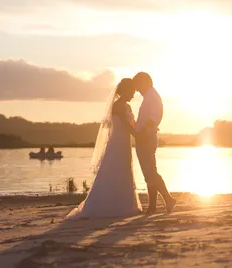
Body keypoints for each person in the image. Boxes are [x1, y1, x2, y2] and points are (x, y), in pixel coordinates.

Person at [66, 78, 142, 219]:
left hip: (125, 142)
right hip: (117, 142)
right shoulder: (118, 106)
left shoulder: (127, 106)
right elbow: (125, 125)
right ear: (125, 91)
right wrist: (137, 135)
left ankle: (125, 204)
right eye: (132, 91)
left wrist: (141, 130)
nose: (133, 94)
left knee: (124, 170)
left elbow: (132, 123)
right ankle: (110, 205)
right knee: (113, 170)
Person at [132, 72, 176, 214]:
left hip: (147, 138)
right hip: (144, 137)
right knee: (149, 173)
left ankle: (166, 200)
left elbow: (153, 118)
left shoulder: (152, 97)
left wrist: (141, 133)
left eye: (138, 86)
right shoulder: (150, 96)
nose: (137, 90)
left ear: (145, 82)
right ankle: (157, 204)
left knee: (150, 172)